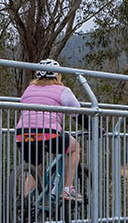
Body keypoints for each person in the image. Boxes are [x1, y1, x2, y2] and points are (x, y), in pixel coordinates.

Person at [13, 58, 83, 202]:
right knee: (75, 147)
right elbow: (78, 113)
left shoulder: (29, 89)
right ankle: (67, 189)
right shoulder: (63, 90)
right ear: (58, 75)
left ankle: (24, 204)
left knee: (35, 169)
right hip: (48, 134)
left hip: (22, 136)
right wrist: (97, 128)